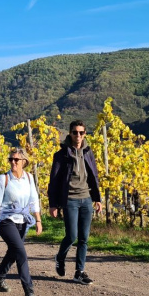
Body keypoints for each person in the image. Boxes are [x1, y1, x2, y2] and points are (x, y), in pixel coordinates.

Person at [48, 120, 102, 284]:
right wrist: (53, 204)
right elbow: (54, 181)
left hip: (86, 199)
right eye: (75, 132)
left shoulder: (88, 152)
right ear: (70, 134)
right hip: (70, 199)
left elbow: (94, 176)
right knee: (71, 236)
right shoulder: (61, 155)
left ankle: (79, 271)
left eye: (81, 132)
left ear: (85, 134)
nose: (78, 135)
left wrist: (97, 199)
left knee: (84, 238)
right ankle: (60, 257)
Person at [0, 148, 43, 296]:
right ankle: (29, 291)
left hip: (23, 220)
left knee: (13, 252)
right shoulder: (3, 179)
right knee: (21, 253)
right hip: (6, 220)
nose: (13, 162)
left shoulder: (29, 177)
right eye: (10, 159)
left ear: (24, 162)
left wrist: (38, 220)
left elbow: (34, 200)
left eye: (16, 160)